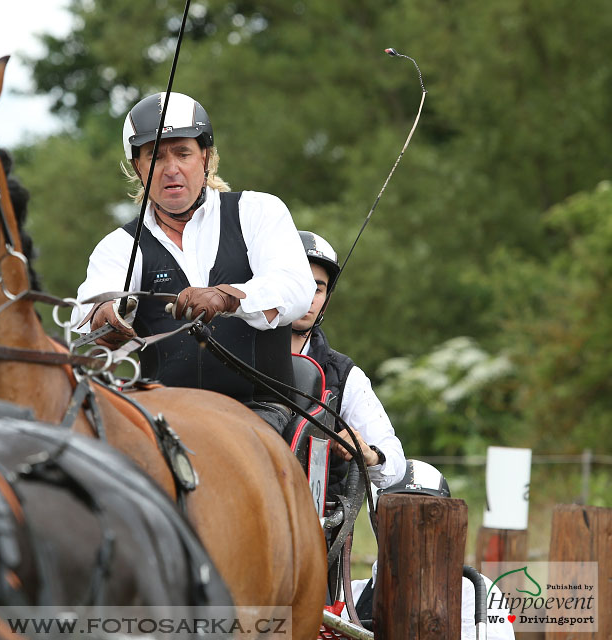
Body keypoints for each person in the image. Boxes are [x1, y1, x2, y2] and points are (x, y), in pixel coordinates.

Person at [72, 92, 315, 431]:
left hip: (258, 411)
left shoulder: (258, 210)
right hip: (161, 417)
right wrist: (105, 317)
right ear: (138, 167)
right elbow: (88, 311)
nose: (171, 168)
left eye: (183, 153)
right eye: (155, 156)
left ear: (205, 157)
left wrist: (228, 297)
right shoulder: (118, 246)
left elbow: (296, 288)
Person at [346, 459, 515, 640]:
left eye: (426, 512)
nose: (412, 523)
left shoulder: (476, 591)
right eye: (398, 513)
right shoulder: (352, 595)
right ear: (376, 519)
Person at [290, 230, 405, 489]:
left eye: (317, 289)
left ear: (326, 300)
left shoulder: (344, 375)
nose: (307, 297)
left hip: (314, 518)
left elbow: (395, 465)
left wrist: (369, 453)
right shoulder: (238, 355)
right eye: (297, 283)